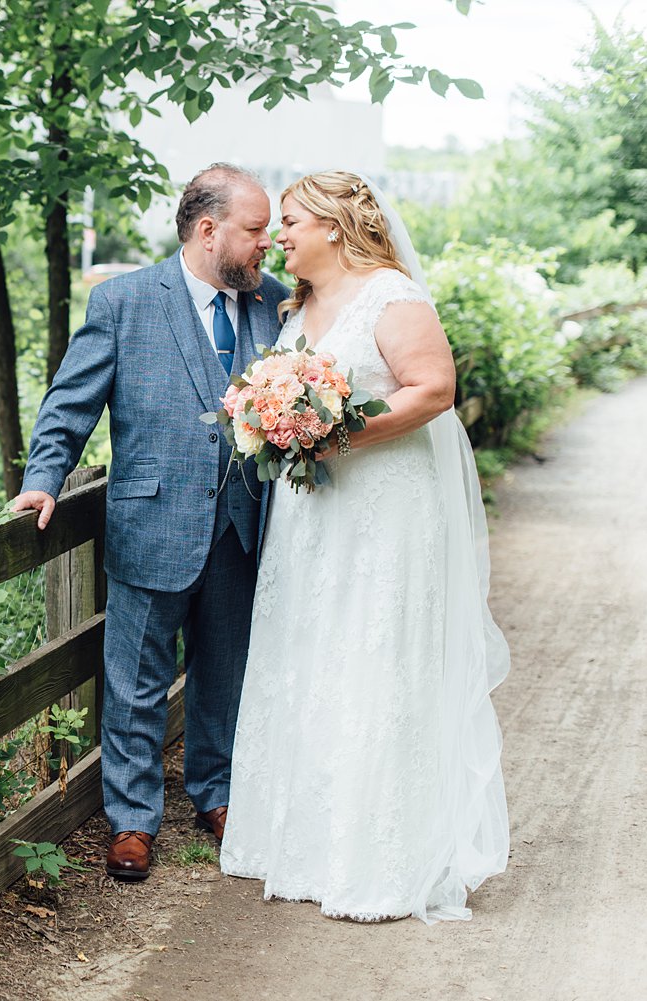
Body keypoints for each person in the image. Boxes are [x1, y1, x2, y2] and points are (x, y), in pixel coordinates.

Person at [218, 170, 510, 922]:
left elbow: (433, 389)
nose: (278, 236)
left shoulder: (392, 295)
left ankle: (381, 857)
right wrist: (271, 417)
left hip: (383, 508)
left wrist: (336, 430)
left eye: (289, 221)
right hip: (314, 514)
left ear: (335, 224)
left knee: (374, 656)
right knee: (310, 657)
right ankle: (308, 845)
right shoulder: (302, 305)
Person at [12, 163, 287, 880]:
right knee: (134, 679)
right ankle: (132, 820)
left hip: (241, 526)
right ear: (208, 231)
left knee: (224, 673)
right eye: (255, 231)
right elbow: (70, 403)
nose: (268, 245)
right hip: (151, 521)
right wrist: (43, 479)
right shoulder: (125, 302)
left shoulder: (276, 307)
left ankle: (217, 793)